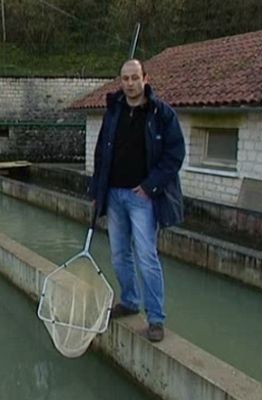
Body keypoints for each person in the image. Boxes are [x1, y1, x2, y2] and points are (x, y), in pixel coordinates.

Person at [88, 59, 185, 342]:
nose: (129, 83)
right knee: (119, 256)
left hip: (142, 197)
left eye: (134, 78)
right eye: (124, 78)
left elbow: (174, 155)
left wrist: (149, 186)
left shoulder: (161, 113)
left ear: (145, 78)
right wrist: (96, 192)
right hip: (114, 194)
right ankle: (129, 301)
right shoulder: (113, 112)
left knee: (147, 257)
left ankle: (156, 318)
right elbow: (100, 155)